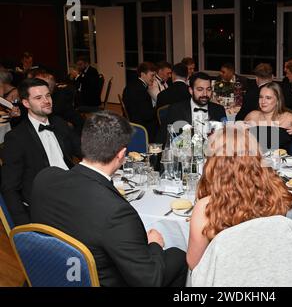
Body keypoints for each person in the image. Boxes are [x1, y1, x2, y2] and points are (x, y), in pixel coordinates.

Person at [30, 111, 188, 287]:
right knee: (177, 255)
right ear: (121, 154)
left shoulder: (45, 178)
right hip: (97, 280)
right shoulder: (117, 213)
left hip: (50, 272)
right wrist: (155, 245)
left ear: (84, 142)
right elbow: (150, 280)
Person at [187, 126, 292, 270]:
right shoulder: (276, 195)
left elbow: (194, 264)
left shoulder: (206, 207)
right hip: (269, 272)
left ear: (214, 163)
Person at [0, 78, 81, 226]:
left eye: (48, 95)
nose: (46, 101)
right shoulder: (16, 138)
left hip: (72, 188)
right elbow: (9, 187)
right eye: (38, 98)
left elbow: (83, 151)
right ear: (26, 103)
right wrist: (25, 226)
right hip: (46, 201)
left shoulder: (59, 123)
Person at [244, 82, 292, 153]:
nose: (263, 101)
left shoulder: (288, 118)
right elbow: (238, 139)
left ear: (277, 100)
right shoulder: (252, 116)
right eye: (261, 97)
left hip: (279, 162)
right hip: (255, 161)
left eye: (268, 98)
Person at [158, 72, 226, 143]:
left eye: (208, 89)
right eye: (200, 89)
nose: (205, 94)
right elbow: (162, 140)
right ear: (191, 90)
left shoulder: (219, 110)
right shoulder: (175, 110)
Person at [33, 70, 84, 136]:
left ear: (48, 87)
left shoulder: (59, 100)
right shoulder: (41, 97)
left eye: (37, 84)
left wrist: (65, 124)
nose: (34, 87)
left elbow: (75, 123)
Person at [122, 62, 157, 141]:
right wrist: (157, 108)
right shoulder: (140, 90)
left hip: (132, 118)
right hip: (139, 124)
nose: (154, 78)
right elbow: (147, 115)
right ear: (143, 74)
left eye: (154, 75)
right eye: (152, 75)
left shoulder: (134, 84)